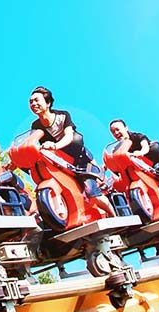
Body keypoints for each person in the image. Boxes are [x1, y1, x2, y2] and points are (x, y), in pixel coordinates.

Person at [28, 86, 114, 217]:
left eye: (36, 100)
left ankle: (114, 216)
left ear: (48, 103)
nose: (33, 104)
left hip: (80, 161)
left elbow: (69, 136)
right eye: (31, 101)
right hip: (61, 162)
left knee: (92, 193)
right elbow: (34, 144)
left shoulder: (63, 116)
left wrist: (55, 146)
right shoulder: (36, 126)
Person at [108, 119, 159, 206]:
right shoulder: (118, 147)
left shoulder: (136, 136)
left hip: (157, 164)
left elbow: (145, 146)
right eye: (113, 132)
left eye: (117, 129)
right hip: (140, 169)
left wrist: (140, 152)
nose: (116, 133)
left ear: (125, 128)